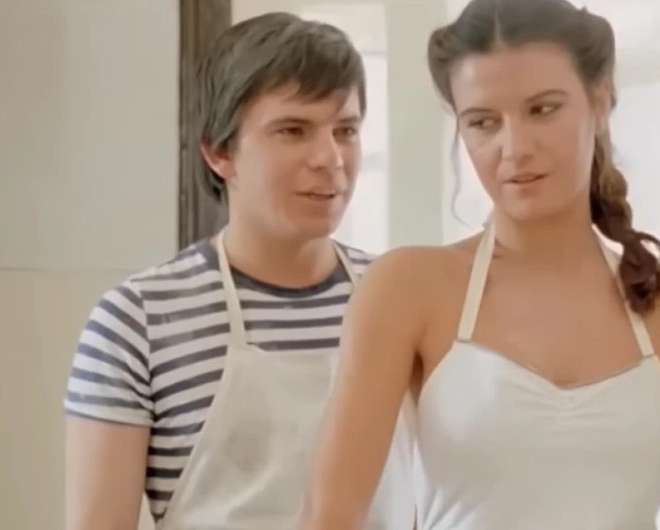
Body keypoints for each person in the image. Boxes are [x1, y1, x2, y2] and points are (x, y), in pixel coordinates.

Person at [301, 0, 660, 528]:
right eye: (483, 122)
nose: (514, 148)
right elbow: (330, 519)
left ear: (600, 101)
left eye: (543, 110)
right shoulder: (407, 288)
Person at [63, 12, 414, 530]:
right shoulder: (137, 321)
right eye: (293, 130)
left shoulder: (400, 299)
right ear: (218, 151)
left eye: (346, 130)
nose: (330, 158)